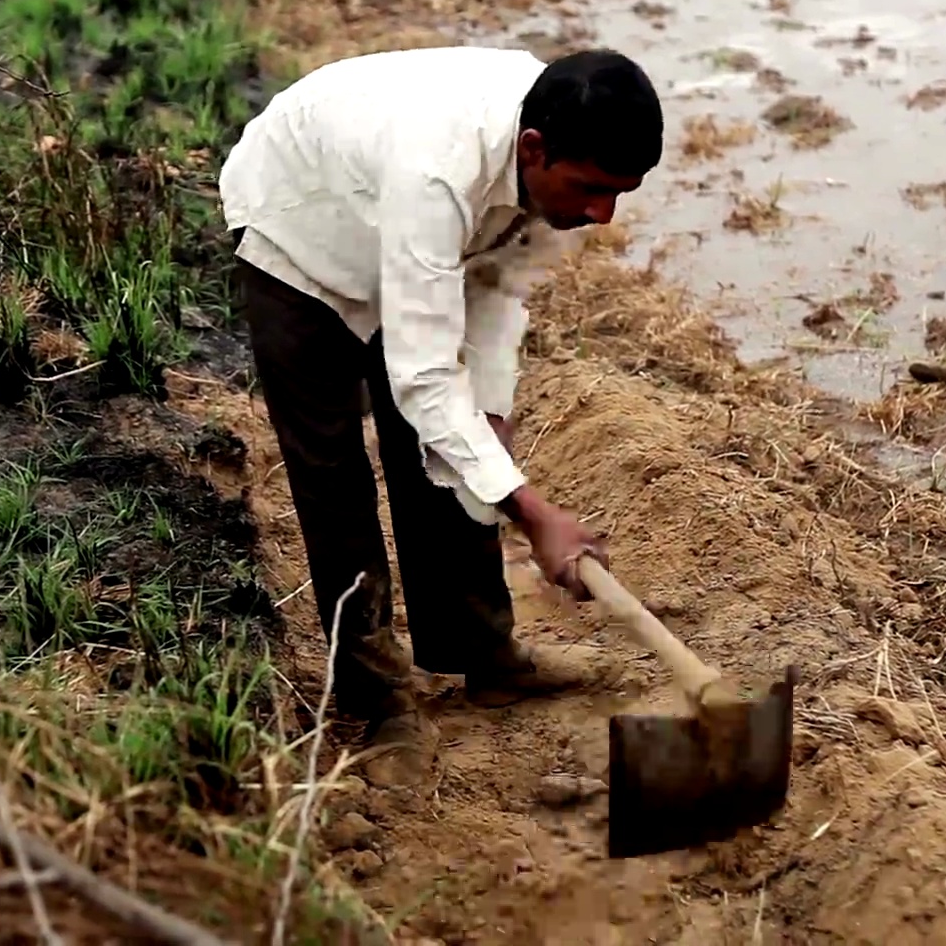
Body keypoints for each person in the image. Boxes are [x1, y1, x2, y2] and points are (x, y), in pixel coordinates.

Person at [219, 45, 665, 785]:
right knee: (334, 473)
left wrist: (490, 415)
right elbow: (423, 382)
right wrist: (533, 512)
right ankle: (380, 699)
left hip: (407, 237)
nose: (601, 214)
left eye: (621, 193)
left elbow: (494, 293)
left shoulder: (548, 149)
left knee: (454, 446)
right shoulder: (437, 171)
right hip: (303, 229)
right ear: (534, 149)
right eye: (592, 189)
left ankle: (483, 655)